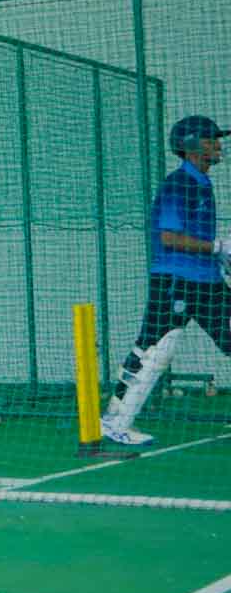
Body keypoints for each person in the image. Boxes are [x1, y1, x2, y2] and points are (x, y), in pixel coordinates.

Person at [102, 115, 229, 446]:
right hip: (176, 280)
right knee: (155, 349)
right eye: (210, 139)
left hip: (206, 279)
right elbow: (169, 237)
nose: (218, 144)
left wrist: (219, 256)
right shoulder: (178, 185)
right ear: (191, 147)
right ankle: (115, 422)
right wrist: (216, 246)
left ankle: (115, 421)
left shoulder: (202, 182)